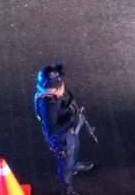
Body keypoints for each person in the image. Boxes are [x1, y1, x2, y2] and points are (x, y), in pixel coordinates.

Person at [34, 63, 95, 195]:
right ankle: (67, 190)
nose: (63, 87)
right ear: (53, 90)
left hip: (67, 134)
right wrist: (72, 120)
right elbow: (52, 130)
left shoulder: (49, 96)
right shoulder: (49, 105)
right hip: (61, 140)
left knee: (74, 148)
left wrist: (68, 108)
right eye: (61, 85)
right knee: (65, 166)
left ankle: (73, 164)